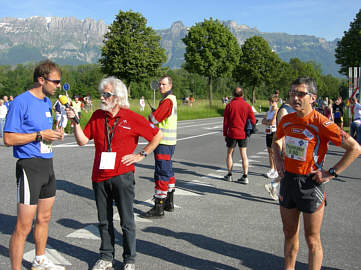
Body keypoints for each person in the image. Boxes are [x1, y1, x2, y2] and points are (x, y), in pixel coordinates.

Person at [66, 76, 162, 270]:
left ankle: (129, 260)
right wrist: (75, 122)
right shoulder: (97, 116)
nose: (102, 97)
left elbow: (157, 135)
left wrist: (141, 154)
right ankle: (106, 257)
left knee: (127, 221)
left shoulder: (132, 117)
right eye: (102, 93)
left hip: (122, 176)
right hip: (99, 176)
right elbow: (82, 141)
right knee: (103, 220)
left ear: (118, 97)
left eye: (107, 94)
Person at [272, 77, 361, 270]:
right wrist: (278, 160)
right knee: (289, 234)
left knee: (312, 239)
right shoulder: (286, 120)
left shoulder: (321, 123)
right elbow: (276, 141)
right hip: (288, 181)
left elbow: (355, 148)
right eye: (292, 93)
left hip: (310, 184)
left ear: (313, 98)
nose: (295, 97)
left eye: (300, 93)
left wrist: (331, 173)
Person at [3, 60, 65, 270]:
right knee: (23, 225)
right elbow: (8, 139)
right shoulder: (20, 102)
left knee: (45, 218)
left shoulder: (47, 102)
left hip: (47, 164)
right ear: (41, 80)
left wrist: (54, 134)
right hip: (29, 167)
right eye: (55, 81)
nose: (58, 85)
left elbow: (43, 134)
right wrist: (39, 135)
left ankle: (39, 260)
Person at [141, 75, 177, 218]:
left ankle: (159, 206)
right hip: (169, 142)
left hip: (163, 142)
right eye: (160, 84)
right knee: (168, 171)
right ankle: (169, 202)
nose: (161, 86)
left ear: (170, 85)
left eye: (163, 84)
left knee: (161, 173)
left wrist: (152, 114)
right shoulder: (171, 99)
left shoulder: (167, 101)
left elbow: (154, 119)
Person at [264, 96, 295, 201]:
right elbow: (282, 132)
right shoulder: (284, 110)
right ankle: (277, 187)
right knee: (288, 172)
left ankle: (274, 184)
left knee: (289, 171)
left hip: (292, 145)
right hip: (285, 144)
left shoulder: (291, 109)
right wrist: (283, 148)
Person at [223, 87, 256, 184]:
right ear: (243, 95)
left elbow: (226, 122)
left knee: (230, 154)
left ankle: (229, 174)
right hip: (243, 133)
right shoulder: (247, 106)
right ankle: (245, 176)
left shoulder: (229, 106)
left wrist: (225, 133)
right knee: (244, 155)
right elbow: (253, 120)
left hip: (232, 133)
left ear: (233, 95)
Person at [262, 96, 279, 180]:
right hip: (268, 131)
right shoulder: (269, 111)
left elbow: (273, 122)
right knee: (269, 151)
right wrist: (268, 122)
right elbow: (263, 121)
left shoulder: (277, 110)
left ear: (276, 102)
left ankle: (276, 170)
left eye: (272, 101)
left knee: (273, 151)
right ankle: (272, 168)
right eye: (270, 101)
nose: (271, 103)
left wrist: (267, 122)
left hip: (274, 132)